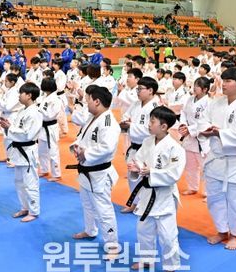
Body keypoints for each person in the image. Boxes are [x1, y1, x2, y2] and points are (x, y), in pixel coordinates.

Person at [200, 67, 236, 250]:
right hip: (216, 158)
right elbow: (203, 120)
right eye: (223, 80)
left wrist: (220, 132)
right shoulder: (216, 103)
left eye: (228, 81)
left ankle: (234, 235)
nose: (223, 84)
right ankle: (222, 231)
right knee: (214, 198)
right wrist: (206, 130)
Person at [127, 106, 186, 272]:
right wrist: (136, 168)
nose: (149, 124)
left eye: (152, 121)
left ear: (164, 126)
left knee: (168, 236)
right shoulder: (147, 142)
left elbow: (174, 174)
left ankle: (171, 269)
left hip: (164, 197)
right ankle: (147, 259)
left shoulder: (175, 148)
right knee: (143, 231)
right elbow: (138, 160)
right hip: (147, 195)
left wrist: (150, 171)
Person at [68, 85, 121, 258]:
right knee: (87, 205)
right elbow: (81, 137)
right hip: (86, 171)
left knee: (104, 210)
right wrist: (76, 147)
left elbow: (107, 147)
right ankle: (90, 230)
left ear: (97, 101)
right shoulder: (92, 117)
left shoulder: (108, 122)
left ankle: (112, 245)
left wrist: (86, 153)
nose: (86, 103)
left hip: (99, 174)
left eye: (88, 100)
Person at [0, 83, 43, 222]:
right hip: (18, 151)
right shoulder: (22, 111)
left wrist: (10, 128)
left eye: (21, 93)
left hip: (27, 151)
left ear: (29, 95)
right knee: (19, 182)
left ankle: (34, 211)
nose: (19, 96)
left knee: (30, 183)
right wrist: (8, 127)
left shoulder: (35, 113)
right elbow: (18, 129)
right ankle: (25, 207)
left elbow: (28, 134)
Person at [121, 76, 160, 214]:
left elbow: (151, 130)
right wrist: (128, 122)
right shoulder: (136, 104)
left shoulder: (156, 107)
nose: (137, 92)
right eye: (137, 89)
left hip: (148, 148)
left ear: (150, 90)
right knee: (132, 177)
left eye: (140, 89)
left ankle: (146, 205)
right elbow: (125, 117)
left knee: (145, 178)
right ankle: (135, 203)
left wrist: (131, 125)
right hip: (134, 146)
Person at [178, 76, 211, 195]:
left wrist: (189, 129)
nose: (194, 88)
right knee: (190, 165)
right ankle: (192, 187)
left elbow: (205, 122)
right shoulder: (190, 99)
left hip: (201, 138)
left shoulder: (209, 103)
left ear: (205, 89)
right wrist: (183, 124)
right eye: (194, 85)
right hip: (189, 137)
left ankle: (208, 192)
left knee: (205, 166)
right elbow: (183, 112)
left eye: (197, 86)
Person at [37, 78, 63, 181]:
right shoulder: (45, 97)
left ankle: (56, 174)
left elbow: (50, 115)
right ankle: (44, 169)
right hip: (42, 127)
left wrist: (39, 110)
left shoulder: (56, 100)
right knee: (42, 150)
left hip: (50, 128)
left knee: (53, 151)